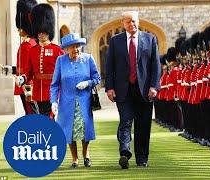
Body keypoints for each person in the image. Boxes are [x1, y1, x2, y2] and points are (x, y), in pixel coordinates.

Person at [105, 11, 161, 169]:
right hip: (123, 90)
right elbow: (109, 67)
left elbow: (156, 66)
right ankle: (124, 151)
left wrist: (154, 86)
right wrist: (109, 87)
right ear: (122, 23)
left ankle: (142, 158)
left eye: (134, 21)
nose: (132, 24)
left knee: (143, 125)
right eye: (128, 22)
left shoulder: (150, 39)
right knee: (125, 121)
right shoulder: (115, 41)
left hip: (144, 90)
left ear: (139, 21)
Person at [50, 33, 101, 168]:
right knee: (69, 130)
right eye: (72, 47)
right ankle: (75, 158)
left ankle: (86, 154)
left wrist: (87, 83)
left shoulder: (88, 59)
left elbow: (97, 78)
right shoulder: (61, 61)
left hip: (84, 101)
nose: (76, 50)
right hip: (66, 102)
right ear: (66, 49)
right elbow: (55, 84)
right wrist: (54, 101)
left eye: (77, 46)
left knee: (85, 129)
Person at [16, 3, 64, 116]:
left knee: (48, 119)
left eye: (44, 32)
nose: (41, 34)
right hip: (37, 92)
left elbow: (63, 71)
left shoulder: (57, 50)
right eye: (39, 32)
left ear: (49, 32)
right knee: (41, 118)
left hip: (52, 91)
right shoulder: (33, 50)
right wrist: (23, 78)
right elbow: (29, 71)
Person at [14, 0, 37, 115]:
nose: (18, 30)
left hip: (27, 86)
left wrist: (28, 87)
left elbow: (30, 69)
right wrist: (12, 69)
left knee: (32, 116)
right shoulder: (31, 43)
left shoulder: (28, 44)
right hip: (25, 84)